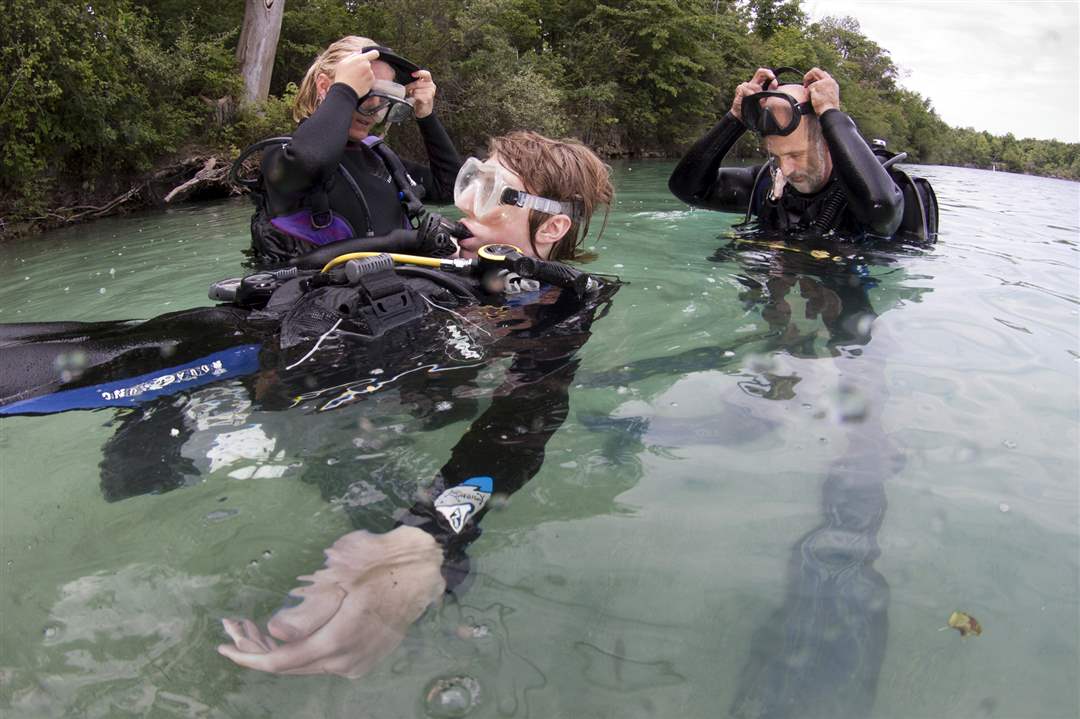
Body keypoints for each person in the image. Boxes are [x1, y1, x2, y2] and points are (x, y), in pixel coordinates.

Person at [0, 131, 616, 679]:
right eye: (469, 182)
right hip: (227, 345)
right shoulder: (443, 253)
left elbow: (525, 420)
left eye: (492, 193)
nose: (466, 205)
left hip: (250, 368)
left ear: (551, 228)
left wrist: (433, 535)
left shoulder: (554, 302)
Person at [242, 36, 463, 264]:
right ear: (325, 87)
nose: (375, 108)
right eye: (364, 91)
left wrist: (426, 116)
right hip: (319, 286)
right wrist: (344, 90)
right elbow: (312, 159)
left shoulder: (380, 158)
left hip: (402, 283)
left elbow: (451, 188)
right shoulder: (282, 155)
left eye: (383, 97)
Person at [668, 67, 938, 241]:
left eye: (796, 155)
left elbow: (881, 210)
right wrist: (735, 118)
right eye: (776, 157)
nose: (786, 170)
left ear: (829, 141)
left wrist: (830, 113)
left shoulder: (886, 190)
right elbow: (687, 189)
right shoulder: (768, 184)